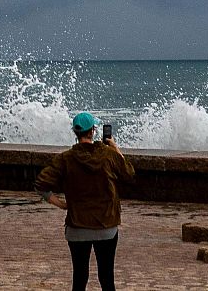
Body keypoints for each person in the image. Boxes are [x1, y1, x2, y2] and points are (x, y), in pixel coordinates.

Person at [34, 112, 135, 291]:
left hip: (77, 227)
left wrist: (62, 204)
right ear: (93, 131)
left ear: (75, 132)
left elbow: (41, 185)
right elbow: (129, 174)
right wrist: (115, 147)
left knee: (79, 278)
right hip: (106, 227)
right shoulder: (107, 155)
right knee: (107, 278)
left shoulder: (65, 159)